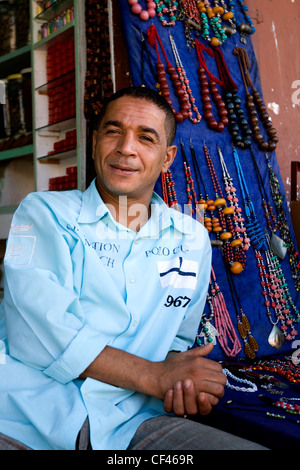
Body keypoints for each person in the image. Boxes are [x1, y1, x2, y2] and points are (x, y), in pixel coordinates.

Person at [0, 86, 266, 450]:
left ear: (167, 157)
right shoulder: (44, 213)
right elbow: (41, 332)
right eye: (113, 131)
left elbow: (176, 342)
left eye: (145, 137)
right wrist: (156, 376)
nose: (126, 147)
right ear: (95, 142)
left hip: (133, 423)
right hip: (26, 420)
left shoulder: (191, 238)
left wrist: (185, 382)